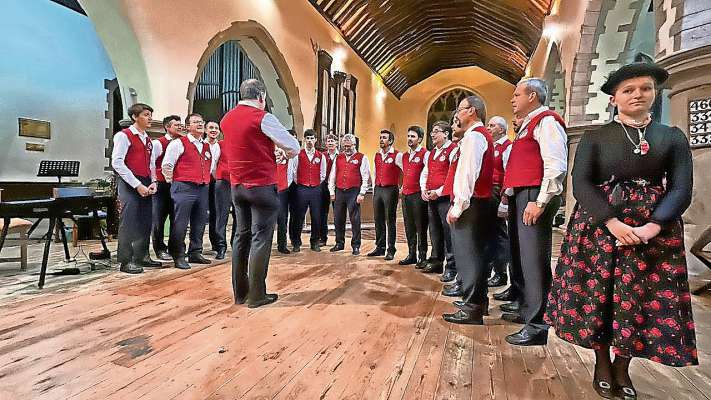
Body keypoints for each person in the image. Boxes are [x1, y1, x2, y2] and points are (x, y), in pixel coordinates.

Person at [545, 62, 697, 399]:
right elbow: (581, 184)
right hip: (601, 230)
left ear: (654, 93)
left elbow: (681, 187)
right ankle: (601, 361)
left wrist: (654, 225)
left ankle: (622, 366)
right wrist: (611, 222)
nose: (637, 95)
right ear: (614, 98)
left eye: (645, 88)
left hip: (652, 235)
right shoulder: (596, 137)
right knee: (599, 296)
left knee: (636, 301)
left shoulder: (670, 137)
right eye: (628, 90)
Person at [221, 79, 300, 308]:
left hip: (237, 188)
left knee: (240, 237)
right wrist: (283, 154)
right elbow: (293, 146)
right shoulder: (263, 117)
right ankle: (257, 295)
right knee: (260, 239)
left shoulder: (226, 118)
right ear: (262, 97)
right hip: (261, 187)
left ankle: (240, 293)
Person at [502, 77, 568, 346]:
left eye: (517, 94)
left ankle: (538, 324)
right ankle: (526, 308)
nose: (512, 99)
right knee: (519, 256)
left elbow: (555, 165)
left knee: (533, 261)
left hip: (534, 195)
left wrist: (539, 202)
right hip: (523, 194)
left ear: (532, 96)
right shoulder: (528, 125)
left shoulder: (547, 121)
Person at [442, 95, 495, 324]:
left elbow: (467, 173)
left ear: (472, 111)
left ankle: (472, 307)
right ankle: (478, 302)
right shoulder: (477, 136)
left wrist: (458, 205)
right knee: (476, 255)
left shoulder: (474, 137)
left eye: (460, 109)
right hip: (478, 203)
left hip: (471, 205)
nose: (456, 114)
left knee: (469, 257)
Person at [162, 113, 216, 269]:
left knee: (199, 222)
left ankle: (195, 252)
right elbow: (167, 165)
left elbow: (209, 166)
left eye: (201, 121)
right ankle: (178, 255)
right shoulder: (179, 143)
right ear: (187, 126)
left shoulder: (206, 146)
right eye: (195, 122)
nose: (200, 124)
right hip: (184, 187)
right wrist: (174, 182)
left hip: (202, 187)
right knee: (181, 223)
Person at [111, 103, 158, 274]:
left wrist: (153, 182)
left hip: (145, 181)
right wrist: (137, 185)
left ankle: (142, 256)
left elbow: (152, 164)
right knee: (129, 222)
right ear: (134, 117)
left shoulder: (148, 139)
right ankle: (126, 261)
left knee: (145, 221)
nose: (150, 118)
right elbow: (117, 162)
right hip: (129, 182)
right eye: (146, 114)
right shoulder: (124, 136)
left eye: (150, 114)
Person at [420, 121, 458, 282]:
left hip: (445, 198)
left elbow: (453, 176)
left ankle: (451, 267)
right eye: (432, 132)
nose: (432, 135)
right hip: (431, 197)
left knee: (448, 233)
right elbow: (425, 172)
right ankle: (436, 261)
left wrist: (439, 191)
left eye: (436, 131)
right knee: (434, 230)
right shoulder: (431, 153)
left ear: (446, 134)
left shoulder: (453, 150)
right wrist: (423, 189)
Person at [329, 133, 370, 255]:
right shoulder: (339, 157)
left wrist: (362, 193)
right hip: (339, 191)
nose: (346, 149)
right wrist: (332, 191)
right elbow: (332, 175)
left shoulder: (362, 157)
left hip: (354, 191)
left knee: (355, 219)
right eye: (344, 146)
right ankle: (339, 243)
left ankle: (356, 245)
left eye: (348, 146)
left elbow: (365, 177)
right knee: (338, 219)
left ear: (354, 145)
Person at [151, 115, 182, 261]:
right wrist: (154, 181)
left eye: (180, 124)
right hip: (162, 185)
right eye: (176, 125)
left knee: (176, 217)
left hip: (176, 184)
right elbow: (151, 164)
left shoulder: (182, 143)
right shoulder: (158, 143)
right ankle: (159, 249)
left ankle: (174, 248)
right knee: (159, 218)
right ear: (167, 127)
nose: (180, 127)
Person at [485, 116, 512, 288]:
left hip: (497, 191)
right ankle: (487, 269)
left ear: (501, 129)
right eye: (488, 125)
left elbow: (509, 174)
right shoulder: (491, 146)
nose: (488, 128)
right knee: (488, 234)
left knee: (499, 234)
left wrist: (505, 199)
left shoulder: (507, 147)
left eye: (492, 125)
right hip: (487, 191)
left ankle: (501, 273)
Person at [290, 129, 327, 252]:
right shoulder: (298, 155)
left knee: (316, 217)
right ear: (304, 140)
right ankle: (296, 242)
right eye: (308, 138)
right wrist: (301, 183)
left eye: (312, 138)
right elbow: (294, 172)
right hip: (301, 189)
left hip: (316, 189)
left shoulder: (321, 156)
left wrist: (315, 183)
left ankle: (315, 242)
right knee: (298, 216)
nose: (310, 141)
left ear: (316, 140)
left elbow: (323, 174)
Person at [368, 129, 402, 260]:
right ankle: (380, 247)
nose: (381, 140)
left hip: (390, 189)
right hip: (379, 189)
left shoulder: (397, 155)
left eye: (384, 138)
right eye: (380, 137)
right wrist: (374, 187)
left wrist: (401, 187)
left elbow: (405, 171)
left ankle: (391, 249)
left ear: (391, 141)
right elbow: (375, 172)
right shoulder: (377, 155)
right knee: (378, 219)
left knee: (390, 220)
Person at [399, 126, 429, 266]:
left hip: (418, 195)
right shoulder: (404, 156)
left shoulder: (425, 154)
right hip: (406, 195)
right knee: (409, 226)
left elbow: (428, 174)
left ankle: (422, 256)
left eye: (413, 136)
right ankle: (411, 255)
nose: (410, 139)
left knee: (420, 226)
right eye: (408, 136)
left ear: (420, 139)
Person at [205, 121, 230, 260]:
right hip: (223, 182)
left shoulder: (241, 144)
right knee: (221, 215)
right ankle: (220, 246)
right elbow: (213, 165)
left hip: (238, 183)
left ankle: (236, 244)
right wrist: (218, 177)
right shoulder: (219, 145)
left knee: (240, 216)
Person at [318, 134, 339, 246]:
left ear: (336, 143)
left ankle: (339, 240)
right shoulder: (322, 156)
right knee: (322, 213)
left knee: (338, 213)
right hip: (323, 186)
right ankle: (323, 238)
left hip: (337, 187)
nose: (330, 143)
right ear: (326, 144)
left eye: (332, 141)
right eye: (328, 141)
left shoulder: (340, 156)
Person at [275, 147, 296, 254]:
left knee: (282, 219)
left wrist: (285, 186)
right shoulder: (266, 152)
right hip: (268, 190)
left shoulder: (287, 155)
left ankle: (282, 245)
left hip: (282, 191)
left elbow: (291, 173)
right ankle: (264, 245)